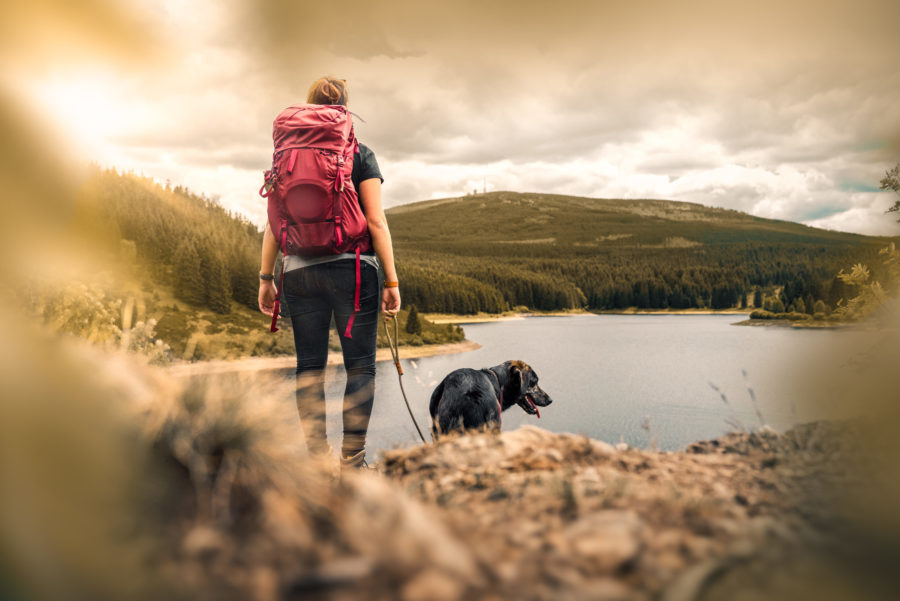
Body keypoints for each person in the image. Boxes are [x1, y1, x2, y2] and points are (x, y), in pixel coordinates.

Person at [258, 76, 401, 469]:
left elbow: (273, 222)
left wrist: (265, 278)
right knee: (361, 367)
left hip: (299, 275)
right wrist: (391, 281)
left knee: (309, 369)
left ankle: (317, 463)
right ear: (344, 109)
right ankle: (352, 462)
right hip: (354, 273)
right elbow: (376, 222)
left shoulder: (284, 157)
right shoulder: (360, 154)